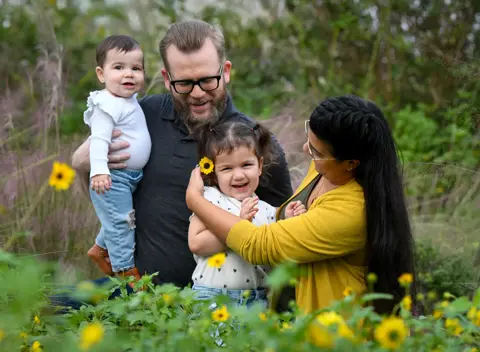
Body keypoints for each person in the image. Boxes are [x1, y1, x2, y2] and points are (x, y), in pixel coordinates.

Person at [70, 20, 293, 292]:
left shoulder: (255, 144)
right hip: (136, 295)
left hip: (215, 308)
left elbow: (284, 243)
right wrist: (83, 165)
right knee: (39, 306)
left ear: (226, 71)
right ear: (166, 79)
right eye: (184, 83)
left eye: (208, 80)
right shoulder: (142, 116)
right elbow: (110, 193)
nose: (198, 93)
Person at [185, 94, 416, 316]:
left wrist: (194, 200)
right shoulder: (323, 169)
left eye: (316, 151)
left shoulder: (352, 209)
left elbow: (259, 244)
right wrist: (286, 216)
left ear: (350, 164)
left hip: (331, 328)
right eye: (309, 137)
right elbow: (290, 231)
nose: (306, 151)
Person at [188, 121, 306, 308]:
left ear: (259, 165)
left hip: (257, 299)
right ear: (213, 172)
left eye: (246, 165)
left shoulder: (267, 210)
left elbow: (277, 248)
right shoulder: (209, 200)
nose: (239, 175)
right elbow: (196, 243)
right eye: (227, 168)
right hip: (213, 298)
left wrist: (289, 220)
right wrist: (239, 225)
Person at [84, 35, 151, 284]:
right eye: (119, 68)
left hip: (130, 177)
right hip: (114, 178)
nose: (129, 74)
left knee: (119, 218)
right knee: (122, 224)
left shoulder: (128, 100)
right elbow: (99, 140)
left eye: (136, 68)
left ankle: (100, 249)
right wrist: (100, 170)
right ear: (101, 74)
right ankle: (125, 272)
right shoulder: (106, 104)